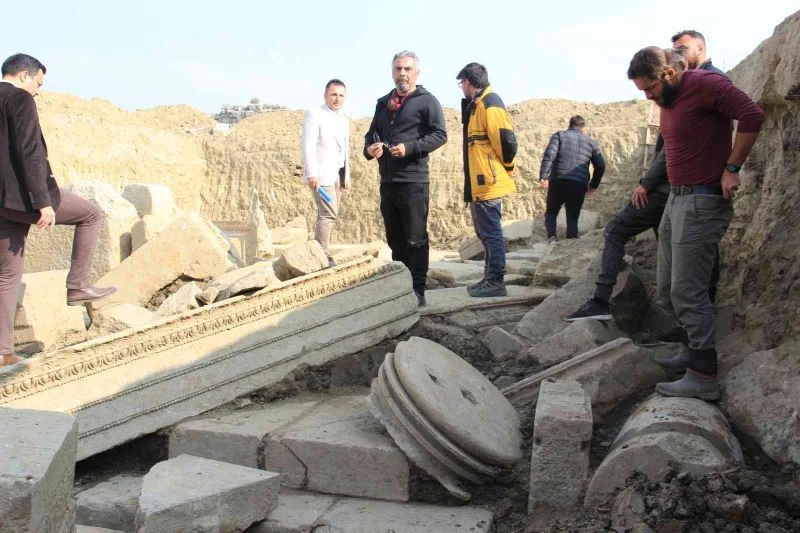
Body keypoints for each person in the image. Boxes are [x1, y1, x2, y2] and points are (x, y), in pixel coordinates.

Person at [627, 46, 764, 400]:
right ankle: (691, 353)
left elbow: (752, 115)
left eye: (650, 89)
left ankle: (703, 375)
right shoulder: (669, 101)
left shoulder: (705, 83)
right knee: (669, 285)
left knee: (688, 290)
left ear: (668, 74)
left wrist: (732, 168)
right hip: (677, 197)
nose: (648, 96)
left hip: (702, 200)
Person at [567, 29, 727, 323]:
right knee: (677, 257)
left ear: (701, 49)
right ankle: (682, 325)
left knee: (618, 230)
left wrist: (647, 183)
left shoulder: (707, 83)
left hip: (681, 188)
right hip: (679, 188)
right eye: (673, 50)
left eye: (682, 49)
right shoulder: (683, 88)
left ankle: (604, 301)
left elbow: (677, 149)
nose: (676, 55)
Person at [0, 53, 116, 366]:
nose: (38, 90)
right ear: (24, 75)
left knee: (7, 277)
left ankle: (4, 353)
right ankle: (77, 286)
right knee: (91, 215)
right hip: (25, 199)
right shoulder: (21, 100)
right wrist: (43, 202)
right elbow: (30, 153)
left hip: (1, 205)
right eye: (39, 82)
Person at [364, 51, 447, 307]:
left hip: (413, 181)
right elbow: (371, 136)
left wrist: (409, 148)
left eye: (407, 69)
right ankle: (401, 287)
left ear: (416, 73)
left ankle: (418, 290)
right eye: (398, 68)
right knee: (395, 240)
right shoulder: (382, 103)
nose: (402, 73)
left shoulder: (427, 101)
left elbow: (440, 135)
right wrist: (371, 149)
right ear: (392, 72)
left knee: (415, 238)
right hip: (388, 181)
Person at [456, 62, 517, 298]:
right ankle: (489, 279)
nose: (461, 88)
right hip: (480, 183)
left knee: (492, 234)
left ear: (468, 83)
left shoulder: (490, 104)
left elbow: (507, 141)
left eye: (461, 84)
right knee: (485, 233)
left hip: (489, 183)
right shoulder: (478, 105)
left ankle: (495, 281)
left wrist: (507, 169)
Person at [301, 79, 350, 268]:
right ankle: (322, 254)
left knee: (331, 214)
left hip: (337, 175)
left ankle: (320, 252)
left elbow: (346, 149)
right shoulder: (315, 115)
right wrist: (312, 173)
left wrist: (347, 177)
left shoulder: (343, 119)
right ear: (325, 95)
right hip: (322, 175)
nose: (337, 99)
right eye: (333, 94)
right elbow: (308, 145)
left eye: (341, 95)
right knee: (328, 214)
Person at [539, 116, 605, 243]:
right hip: (578, 184)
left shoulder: (559, 136)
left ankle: (552, 238)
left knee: (551, 212)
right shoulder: (590, 142)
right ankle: (571, 243)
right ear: (583, 127)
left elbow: (549, 155)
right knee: (573, 217)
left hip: (558, 180)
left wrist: (544, 176)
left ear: (569, 124)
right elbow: (600, 165)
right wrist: (593, 185)